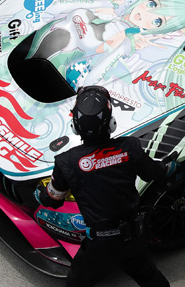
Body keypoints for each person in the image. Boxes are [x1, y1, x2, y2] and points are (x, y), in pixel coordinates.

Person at [34, 86, 173, 287]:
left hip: (99, 245)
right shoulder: (130, 147)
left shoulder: (66, 162)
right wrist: (167, 166)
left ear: (75, 126)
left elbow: (52, 199)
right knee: (151, 279)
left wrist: (40, 194)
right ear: (111, 123)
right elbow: (154, 173)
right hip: (133, 237)